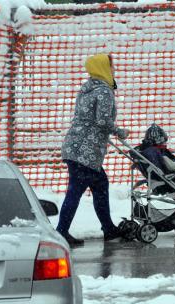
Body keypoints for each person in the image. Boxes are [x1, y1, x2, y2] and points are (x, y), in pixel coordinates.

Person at [57, 53, 129, 246]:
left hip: (75, 146)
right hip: (86, 152)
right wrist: (119, 131)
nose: (113, 70)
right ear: (103, 68)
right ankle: (61, 232)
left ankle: (109, 229)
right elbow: (103, 120)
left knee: (99, 186)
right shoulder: (104, 91)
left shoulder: (87, 88)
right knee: (76, 191)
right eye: (111, 66)